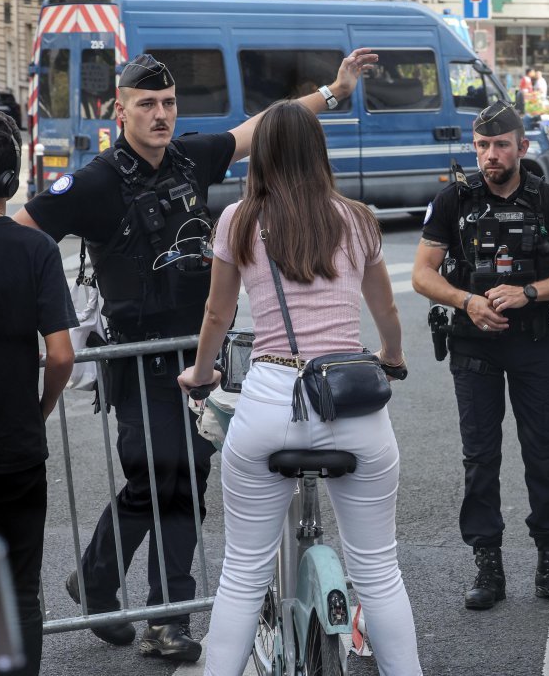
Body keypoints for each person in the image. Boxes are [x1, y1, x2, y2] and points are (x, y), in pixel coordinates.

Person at [13, 50, 376, 660]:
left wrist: (334, 94)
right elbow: (21, 237)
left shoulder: (190, 157)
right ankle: (133, 597)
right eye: (147, 105)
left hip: (196, 357)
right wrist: (49, 318)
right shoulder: (95, 181)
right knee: (160, 478)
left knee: (182, 477)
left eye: (169, 103)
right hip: (137, 359)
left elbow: (263, 125)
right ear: (118, 110)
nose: (161, 115)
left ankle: (137, 600)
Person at [176, 100, 421, 675]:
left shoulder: (238, 219)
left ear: (260, 155)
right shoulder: (357, 219)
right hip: (352, 404)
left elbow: (217, 313)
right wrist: (392, 357)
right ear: (319, 152)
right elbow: (384, 306)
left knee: (242, 572)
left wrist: (203, 371)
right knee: (380, 571)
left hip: (270, 402)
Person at [411, 100, 549, 611]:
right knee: (480, 458)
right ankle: (487, 566)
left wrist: (528, 292)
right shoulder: (453, 201)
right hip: (473, 344)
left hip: (533, 340)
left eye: (501, 145)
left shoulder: (548, 199)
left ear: (522, 147)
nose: (491, 155)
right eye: (483, 146)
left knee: (545, 451)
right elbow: (422, 274)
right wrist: (467, 300)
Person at [0, 111, 76, 676]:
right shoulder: (35, 250)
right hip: (15, 438)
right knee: (19, 584)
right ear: (11, 182)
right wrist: (39, 408)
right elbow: (60, 354)